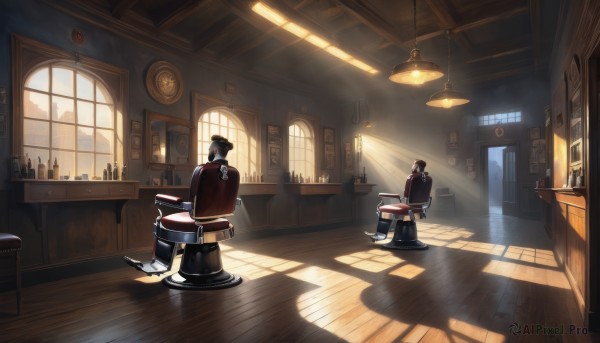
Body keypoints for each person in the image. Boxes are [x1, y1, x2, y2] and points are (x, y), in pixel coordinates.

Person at [365, 159, 428, 241]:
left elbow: (406, 197)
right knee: (395, 210)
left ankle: (381, 234)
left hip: (408, 207)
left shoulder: (412, 178)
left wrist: (413, 171)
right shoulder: (427, 178)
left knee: (384, 208)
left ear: (416, 167)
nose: (412, 166)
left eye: (413, 165)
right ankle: (393, 227)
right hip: (420, 207)